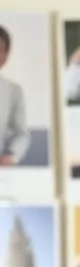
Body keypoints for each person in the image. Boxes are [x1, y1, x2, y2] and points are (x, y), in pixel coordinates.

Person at [0, 25, 28, 166]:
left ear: (5, 57)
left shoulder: (14, 91)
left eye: (0, 51)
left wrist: (11, 156)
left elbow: (21, 134)